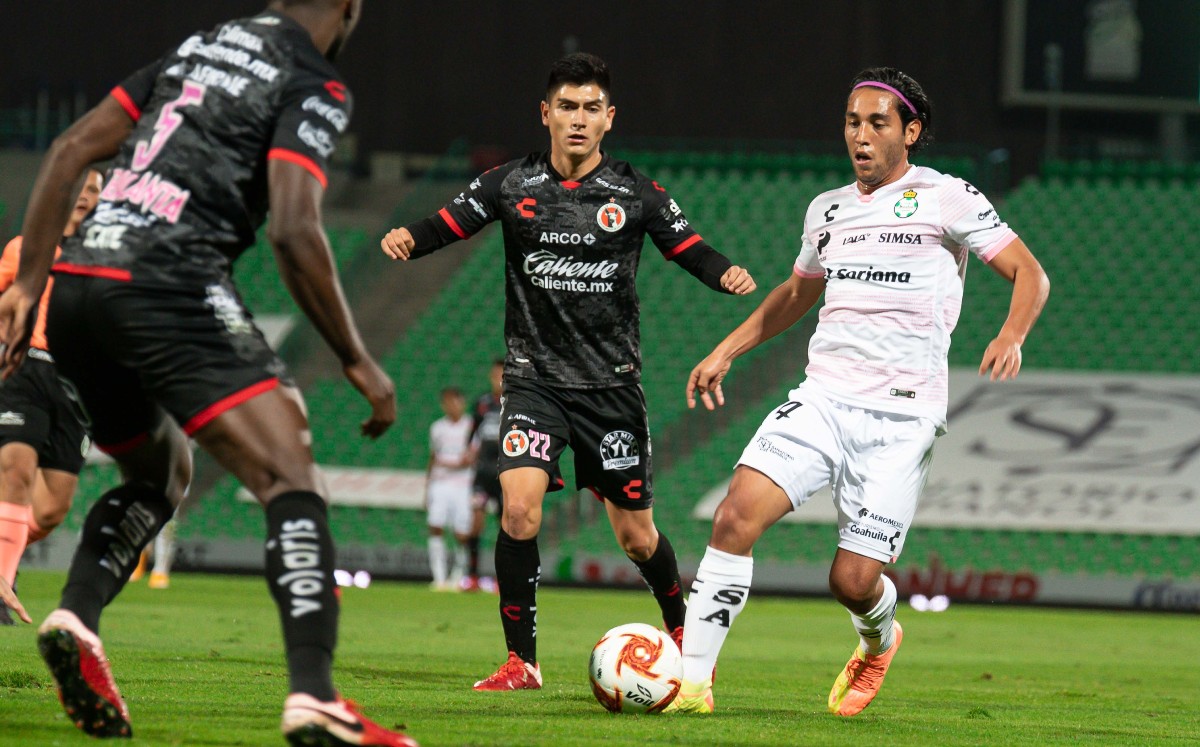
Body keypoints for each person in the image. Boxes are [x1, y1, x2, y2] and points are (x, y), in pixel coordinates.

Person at [0, 2, 417, 745]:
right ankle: (316, 695)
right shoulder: (313, 79)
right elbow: (294, 228)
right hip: (169, 282)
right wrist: (357, 359)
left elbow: (69, 149)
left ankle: (77, 616)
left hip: (80, 289)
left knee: (159, 475)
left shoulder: (195, 48)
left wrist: (30, 280)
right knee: (291, 478)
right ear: (350, 9)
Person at [668, 67, 1050, 716]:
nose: (861, 136)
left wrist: (1011, 333)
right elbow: (795, 294)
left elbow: (1029, 274)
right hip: (823, 399)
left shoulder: (946, 196)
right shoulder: (829, 208)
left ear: (911, 130)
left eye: (877, 123)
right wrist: (726, 349)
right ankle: (693, 683)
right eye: (852, 122)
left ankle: (879, 637)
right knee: (734, 517)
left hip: (901, 417)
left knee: (851, 580)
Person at [381, 52, 757, 691]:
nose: (577, 120)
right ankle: (521, 661)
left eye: (590, 109)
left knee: (638, 538)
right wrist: (410, 237)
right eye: (566, 108)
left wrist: (724, 272)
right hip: (533, 382)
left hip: (611, 387)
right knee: (519, 512)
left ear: (608, 118)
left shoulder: (635, 191)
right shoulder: (511, 183)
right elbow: (451, 221)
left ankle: (683, 628)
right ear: (546, 114)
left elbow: (686, 245)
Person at [0, 170, 101, 626]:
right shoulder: (26, 248)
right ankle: (3, 585)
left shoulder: (109, 257)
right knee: (15, 470)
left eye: (95, 189)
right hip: (26, 367)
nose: (86, 195)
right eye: (79, 186)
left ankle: (5, 555)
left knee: (50, 508)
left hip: (76, 384)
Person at [425, 386, 474, 591]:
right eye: (446, 402)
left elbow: (471, 458)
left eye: (454, 401)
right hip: (440, 484)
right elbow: (433, 458)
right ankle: (439, 578)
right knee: (436, 527)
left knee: (461, 533)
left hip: (463, 486)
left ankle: (458, 575)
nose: (450, 406)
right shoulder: (437, 428)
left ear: (462, 402)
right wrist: (426, 488)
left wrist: (451, 463)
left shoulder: (471, 426)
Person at [464, 359, 505, 592]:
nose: (497, 378)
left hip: (504, 474)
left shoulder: (515, 402)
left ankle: (503, 579)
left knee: (505, 528)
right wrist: (469, 452)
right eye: (494, 374)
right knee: (476, 523)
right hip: (482, 474)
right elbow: (471, 434)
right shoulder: (482, 403)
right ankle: (472, 576)